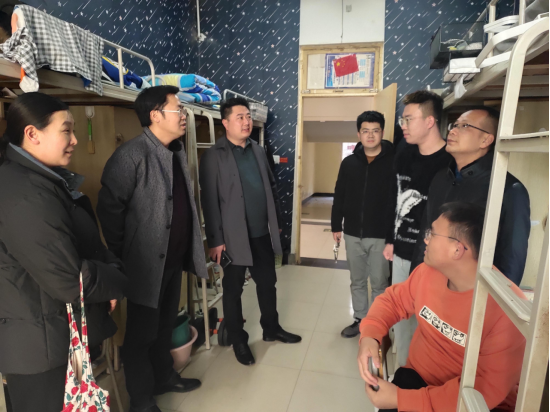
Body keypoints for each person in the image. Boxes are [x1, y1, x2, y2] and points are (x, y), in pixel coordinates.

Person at [0, 93, 127, 412]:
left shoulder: (42, 180)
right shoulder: (26, 194)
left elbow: (77, 246)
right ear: (32, 134)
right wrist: (116, 281)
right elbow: (70, 280)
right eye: (66, 131)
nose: (74, 140)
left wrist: (106, 277)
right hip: (41, 348)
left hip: (57, 334)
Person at [97, 86, 206, 412]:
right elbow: (109, 211)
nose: (184, 115)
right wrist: (125, 256)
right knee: (141, 335)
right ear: (155, 115)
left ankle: (163, 377)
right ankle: (141, 401)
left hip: (172, 262)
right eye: (178, 109)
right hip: (145, 266)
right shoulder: (131, 155)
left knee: (164, 326)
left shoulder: (175, 151)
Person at [358, 202, 526, 412]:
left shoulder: (507, 308)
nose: (425, 239)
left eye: (432, 234)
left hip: (471, 403)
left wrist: (401, 400)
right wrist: (370, 334)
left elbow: (484, 391)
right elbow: (392, 301)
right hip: (417, 379)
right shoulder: (428, 272)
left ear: (457, 249)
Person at [199, 97, 301, 366]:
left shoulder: (258, 149)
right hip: (232, 238)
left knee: (268, 283)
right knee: (232, 290)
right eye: (240, 117)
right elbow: (209, 201)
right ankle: (238, 340)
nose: (246, 122)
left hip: (261, 234)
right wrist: (216, 240)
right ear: (225, 123)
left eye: (248, 117)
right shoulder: (213, 156)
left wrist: (276, 221)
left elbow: (271, 187)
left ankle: (271, 328)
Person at [410, 107, 531, 286]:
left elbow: (512, 258)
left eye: (465, 126)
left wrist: (494, 299)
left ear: (486, 140)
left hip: (471, 291)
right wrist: (414, 281)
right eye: (454, 125)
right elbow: (426, 233)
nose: (452, 131)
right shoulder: (441, 178)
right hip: (431, 283)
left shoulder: (508, 189)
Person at [383, 90, 452, 367]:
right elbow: (393, 197)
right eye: (403, 119)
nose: (403, 125)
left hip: (434, 259)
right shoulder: (404, 154)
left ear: (430, 121)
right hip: (402, 252)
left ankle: (419, 374)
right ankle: (402, 374)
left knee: (429, 322)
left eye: (409, 119)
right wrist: (390, 239)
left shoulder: (450, 162)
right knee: (402, 317)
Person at [331, 111, 394, 338]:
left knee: (379, 282)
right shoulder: (349, 163)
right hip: (352, 233)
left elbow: (396, 202)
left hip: (380, 235)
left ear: (382, 133)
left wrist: (392, 237)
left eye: (375, 131)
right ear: (358, 134)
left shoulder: (393, 162)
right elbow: (340, 194)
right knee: (357, 280)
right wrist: (336, 225)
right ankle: (360, 319)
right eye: (365, 131)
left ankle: (377, 324)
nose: (370, 135)